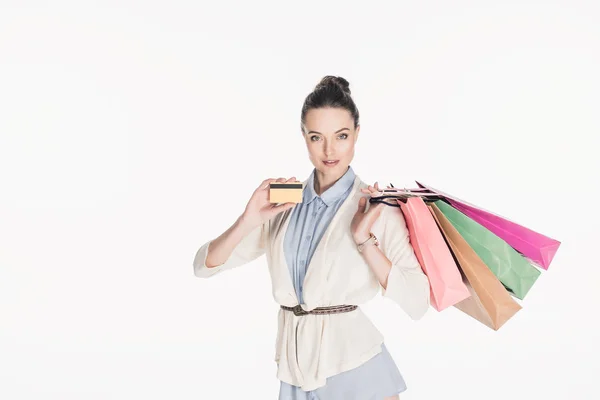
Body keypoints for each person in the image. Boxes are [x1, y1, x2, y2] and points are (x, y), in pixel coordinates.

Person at [193, 76, 431, 399]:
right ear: (304, 137)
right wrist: (246, 220)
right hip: (295, 373)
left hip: (356, 369)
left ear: (357, 135)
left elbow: (417, 302)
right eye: (317, 137)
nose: (329, 150)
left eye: (341, 136)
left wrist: (364, 241)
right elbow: (204, 265)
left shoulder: (374, 207)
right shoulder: (283, 200)